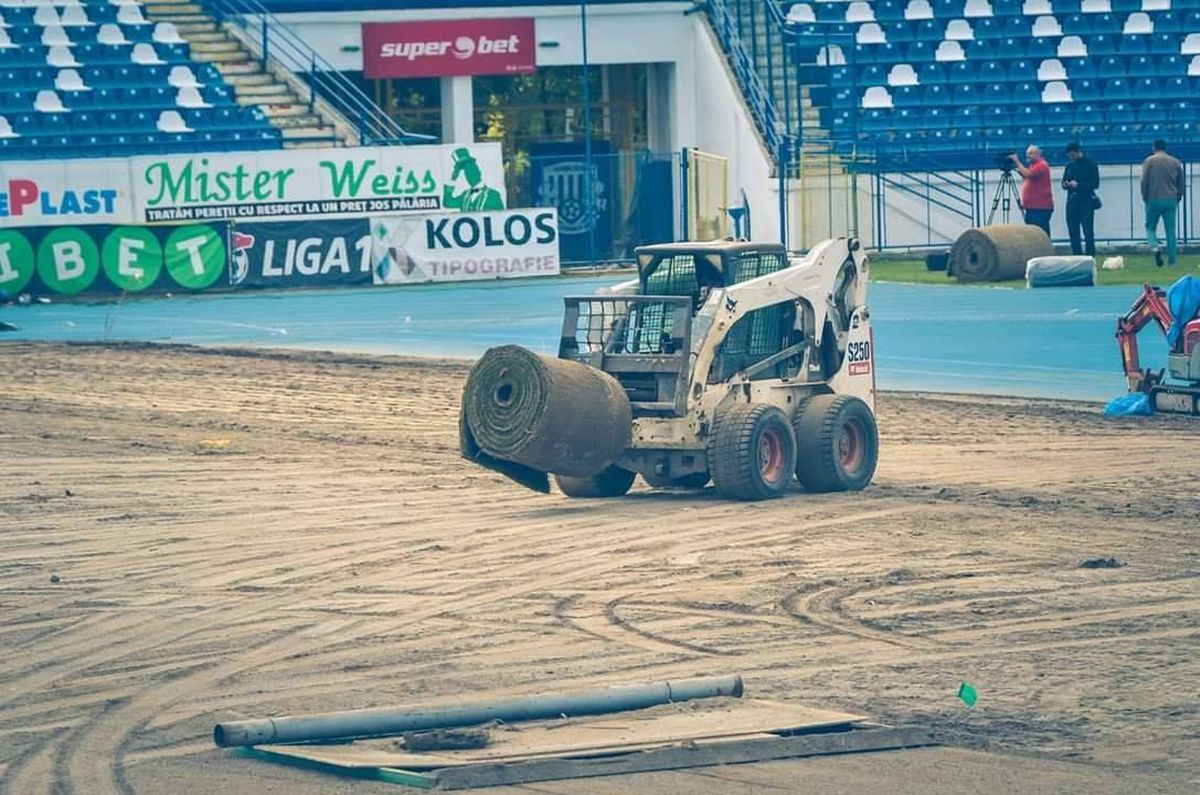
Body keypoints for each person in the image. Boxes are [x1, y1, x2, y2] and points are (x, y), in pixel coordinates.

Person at [1141, 139, 1185, 267]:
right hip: (1171, 199)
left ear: (1154, 147)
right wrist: (1178, 196)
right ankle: (1172, 262)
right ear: (1165, 148)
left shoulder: (1149, 161)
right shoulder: (1175, 162)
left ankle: (1155, 247)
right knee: (1170, 231)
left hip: (1153, 198)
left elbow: (1144, 181)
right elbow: (1181, 182)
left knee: (1150, 228)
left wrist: (1145, 196)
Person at [1062, 142, 1100, 256]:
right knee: (1073, 231)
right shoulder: (1069, 166)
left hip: (1086, 202)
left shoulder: (1091, 165)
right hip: (1072, 202)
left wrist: (1079, 185)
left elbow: (1095, 183)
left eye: (1073, 155)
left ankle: (1090, 255)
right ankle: (1077, 255)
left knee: (1088, 231)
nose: (1071, 158)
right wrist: (1065, 184)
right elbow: (1064, 181)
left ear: (1079, 152)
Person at [443, 147, 505, 212]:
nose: (470, 175)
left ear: (479, 172)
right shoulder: (465, 195)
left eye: (472, 171)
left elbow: (501, 216)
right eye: (467, 173)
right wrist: (453, 178)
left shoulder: (493, 195)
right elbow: (448, 203)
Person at [1010, 146, 1053, 237]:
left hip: (1040, 207)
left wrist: (1017, 162)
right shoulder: (1033, 166)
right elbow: (1029, 179)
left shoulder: (1042, 165)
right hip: (1032, 206)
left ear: (1038, 154)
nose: (1028, 156)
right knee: (1033, 231)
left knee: (1039, 232)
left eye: (1031, 153)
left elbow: (1028, 174)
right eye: (1027, 153)